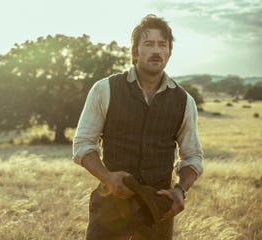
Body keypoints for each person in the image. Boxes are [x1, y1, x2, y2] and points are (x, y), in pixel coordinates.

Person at [72, 14, 204, 240]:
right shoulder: (105, 89)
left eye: (163, 44)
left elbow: (192, 156)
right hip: (110, 207)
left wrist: (181, 190)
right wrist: (108, 178)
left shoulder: (184, 101)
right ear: (134, 52)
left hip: (158, 211)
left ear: (169, 52)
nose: (157, 50)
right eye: (148, 44)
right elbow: (83, 144)